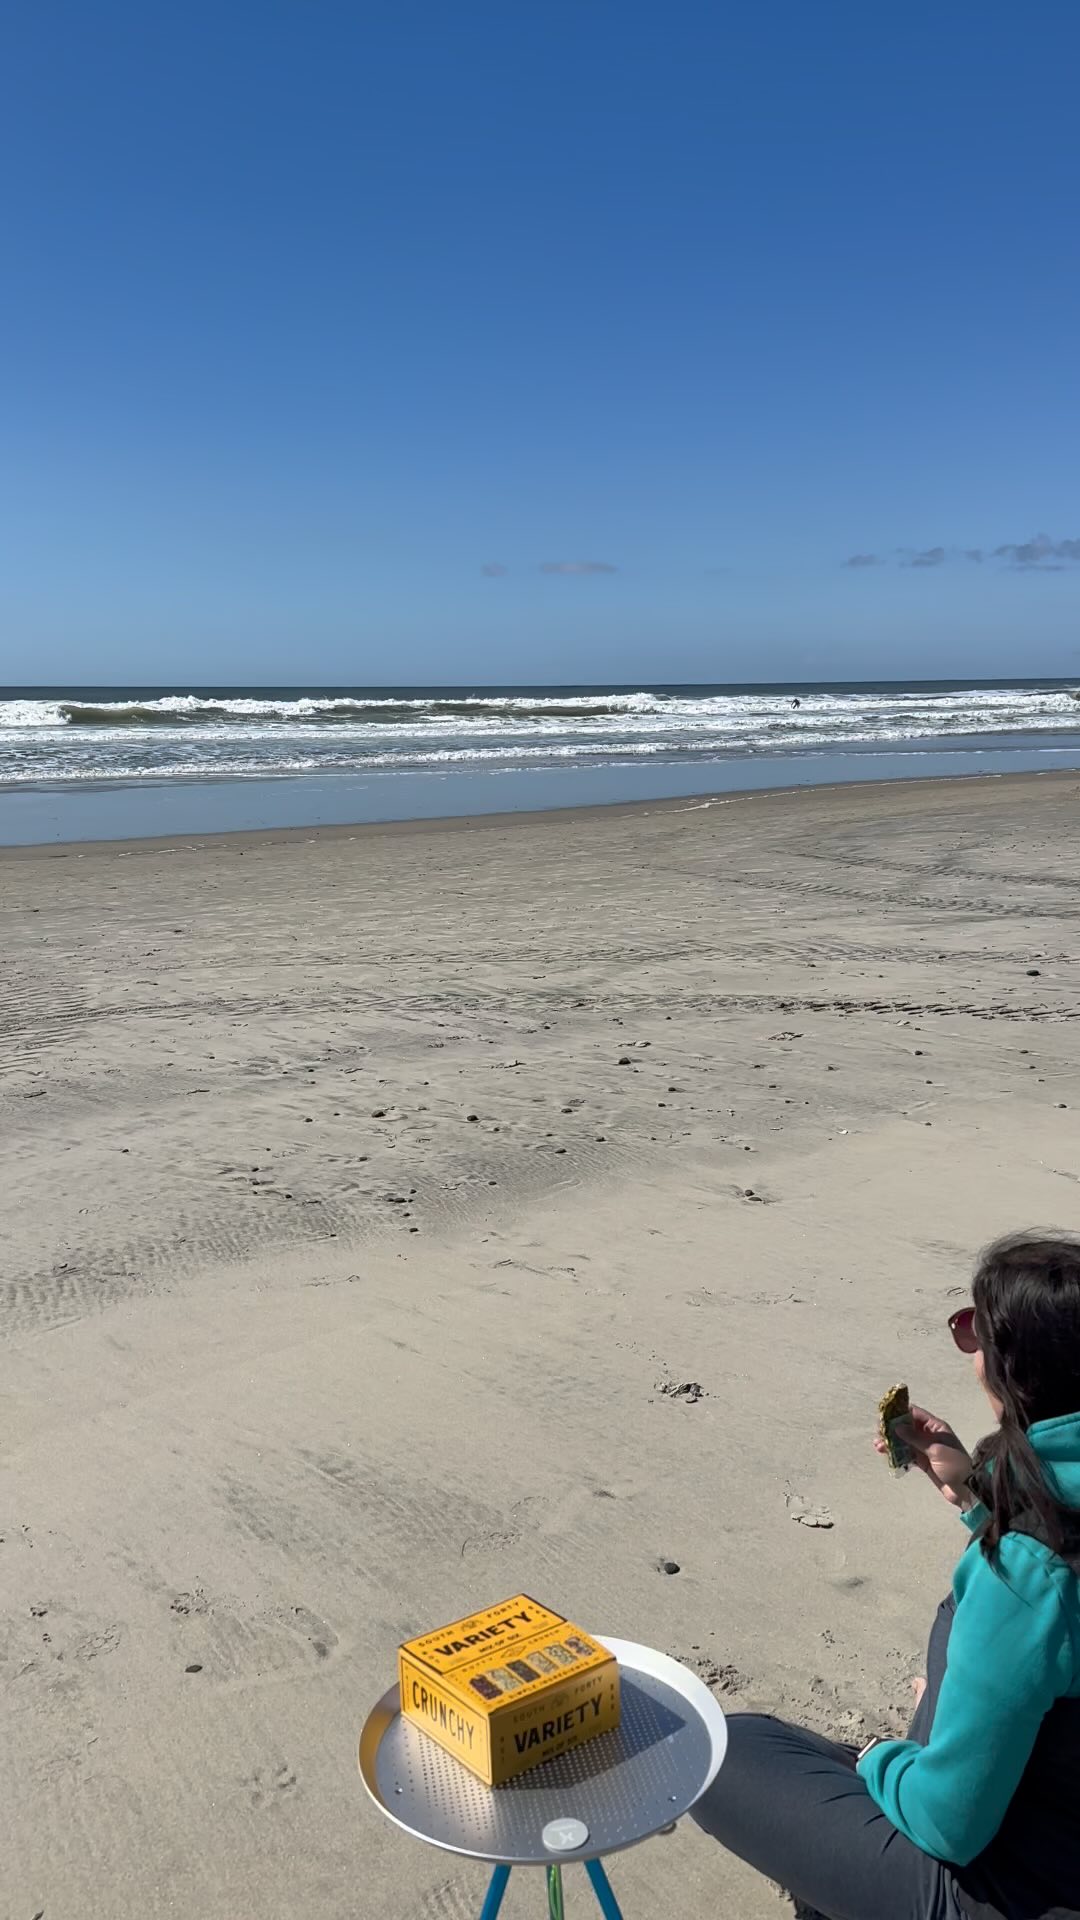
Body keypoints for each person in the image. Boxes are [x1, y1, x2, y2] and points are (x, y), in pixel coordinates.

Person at [692, 1232, 1080, 1920]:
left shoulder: (1026, 1574)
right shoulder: (1039, 1554)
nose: (969, 1348)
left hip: (1015, 1891)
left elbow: (948, 1825)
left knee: (726, 1749)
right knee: (955, 1643)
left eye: (976, 1330)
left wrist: (879, 1755)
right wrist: (975, 1497)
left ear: (1017, 1373)